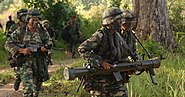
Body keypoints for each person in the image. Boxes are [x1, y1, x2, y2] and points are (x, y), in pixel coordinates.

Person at [78, 7, 129, 97]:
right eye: (118, 20)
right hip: (100, 81)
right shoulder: (100, 35)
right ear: (110, 22)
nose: (121, 22)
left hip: (115, 78)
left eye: (121, 19)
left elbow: (121, 55)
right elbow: (82, 49)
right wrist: (101, 62)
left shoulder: (118, 35)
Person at [4, 8, 53, 97]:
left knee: (37, 89)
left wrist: (45, 48)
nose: (35, 22)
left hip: (39, 62)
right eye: (33, 20)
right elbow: (7, 43)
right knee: (28, 89)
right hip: (25, 62)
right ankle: (19, 79)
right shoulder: (21, 31)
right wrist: (21, 50)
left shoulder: (42, 30)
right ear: (28, 19)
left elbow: (49, 42)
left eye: (37, 19)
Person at [7, 8, 28, 91]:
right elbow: (9, 43)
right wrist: (12, 54)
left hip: (28, 50)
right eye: (24, 16)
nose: (26, 17)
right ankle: (18, 78)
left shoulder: (29, 26)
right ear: (19, 17)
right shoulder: (14, 27)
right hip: (17, 51)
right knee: (18, 67)